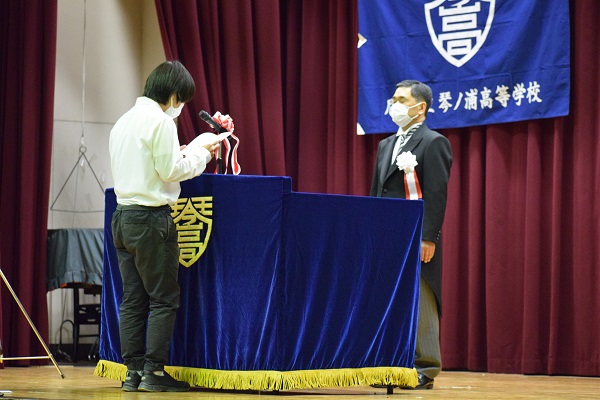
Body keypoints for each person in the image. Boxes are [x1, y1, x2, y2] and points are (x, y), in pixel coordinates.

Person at [109, 60, 222, 392]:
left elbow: (150, 165)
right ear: (173, 95)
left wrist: (181, 153)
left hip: (123, 216)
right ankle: (154, 373)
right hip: (150, 220)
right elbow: (171, 172)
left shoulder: (124, 121)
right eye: (182, 99)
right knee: (163, 299)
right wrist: (202, 154)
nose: (181, 106)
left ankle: (132, 373)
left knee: (133, 299)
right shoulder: (160, 122)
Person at [370, 80, 452, 390]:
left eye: (402, 99)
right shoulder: (385, 144)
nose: (394, 105)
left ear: (420, 107)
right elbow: (377, 191)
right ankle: (392, 364)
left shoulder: (433, 142)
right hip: (386, 234)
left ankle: (425, 368)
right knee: (388, 300)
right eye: (393, 99)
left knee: (421, 300)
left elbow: (436, 193)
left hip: (416, 235)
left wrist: (428, 237)